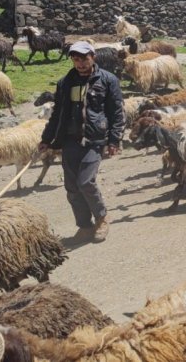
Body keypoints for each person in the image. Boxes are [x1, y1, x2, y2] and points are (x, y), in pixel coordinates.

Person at [39, 41, 124, 242]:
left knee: (85, 182)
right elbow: (57, 114)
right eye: (76, 59)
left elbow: (117, 113)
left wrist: (114, 140)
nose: (80, 63)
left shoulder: (108, 80)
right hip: (70, 140)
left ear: (92, 57)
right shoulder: (65, 82)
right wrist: (46, 139)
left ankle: (102, 218)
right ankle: (84, 226)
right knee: (71, 187)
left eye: (84, 58)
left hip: (94, 139)